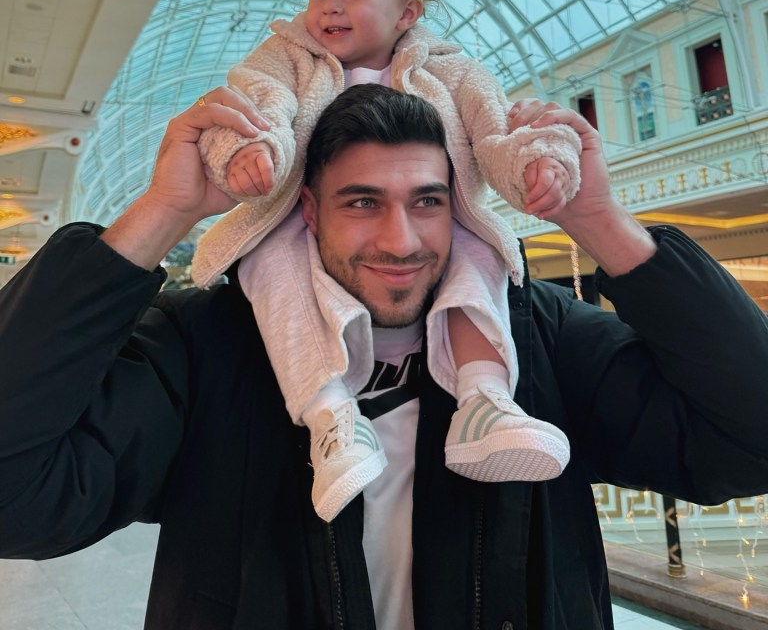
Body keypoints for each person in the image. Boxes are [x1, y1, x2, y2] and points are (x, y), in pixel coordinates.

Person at [1, 84, 768, 630]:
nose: (401, 240)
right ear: (308, 209)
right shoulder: (208, 347)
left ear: (459, 207)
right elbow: (18, 499)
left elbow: (751, 437)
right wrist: (161, 212)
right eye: (362, 201)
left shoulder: (535, 341)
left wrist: (597, 220)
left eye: (427, 201)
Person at [192, 0, 582, 520]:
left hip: (445, 211)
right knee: (272, 270)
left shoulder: (451, 71)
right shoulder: (286, 57)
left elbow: (496, 129)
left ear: (407, 13)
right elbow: (254, 104)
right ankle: (331, 415)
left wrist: (536, 165)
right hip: (296, 215)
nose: (330, 7)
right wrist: (250, 149)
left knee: (477, 259)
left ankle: (484, 399)